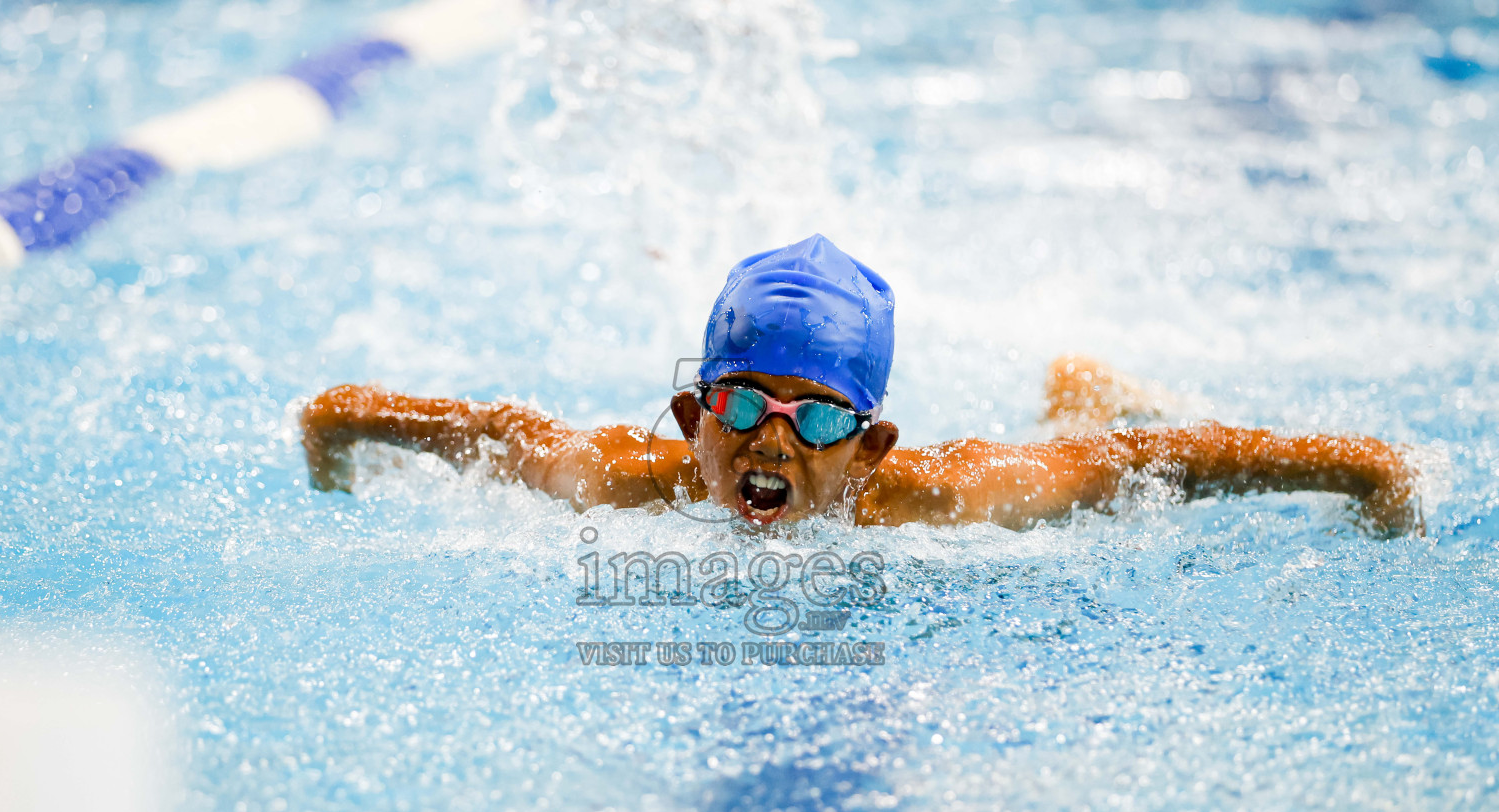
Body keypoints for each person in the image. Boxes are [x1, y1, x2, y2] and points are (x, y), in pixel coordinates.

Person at [298, 234, 1422, 537]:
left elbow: (1151, 461)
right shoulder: (617, 478)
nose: (770, 445)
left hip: (1046, 452)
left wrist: (1369, 474)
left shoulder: (951, 495)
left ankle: (1079, 379)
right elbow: (358, 414)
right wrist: (329, 481)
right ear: (694, 417)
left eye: (818, 417)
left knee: (1078, 435)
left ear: (871, 447)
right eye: (740, 408)